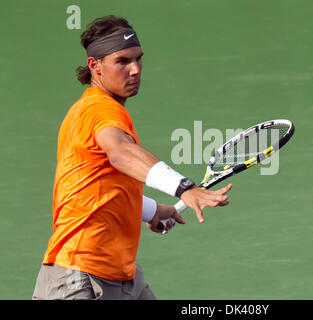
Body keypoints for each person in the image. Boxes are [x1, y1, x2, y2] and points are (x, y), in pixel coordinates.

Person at [32, 15, 232, 300]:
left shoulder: (98, 111)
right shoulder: (98, 110)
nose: (135, 69)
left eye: (138, 59)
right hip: (79, 279)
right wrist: (185, 188)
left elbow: (98, 188)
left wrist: (151, 211)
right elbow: (121, 154)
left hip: (123, 278)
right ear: (95, 66)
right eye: (122, 61)